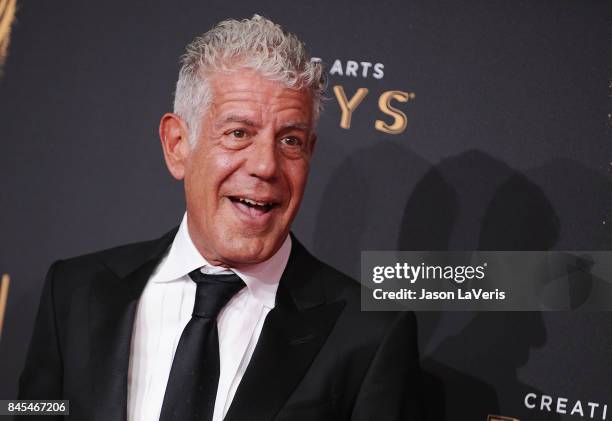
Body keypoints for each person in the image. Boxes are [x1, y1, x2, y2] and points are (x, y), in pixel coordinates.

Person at [18, 15, 424, 421]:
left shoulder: (368, 336)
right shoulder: (74, 291)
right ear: (177, 145)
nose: (266, 165)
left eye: (290, 140)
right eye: (238, 133)